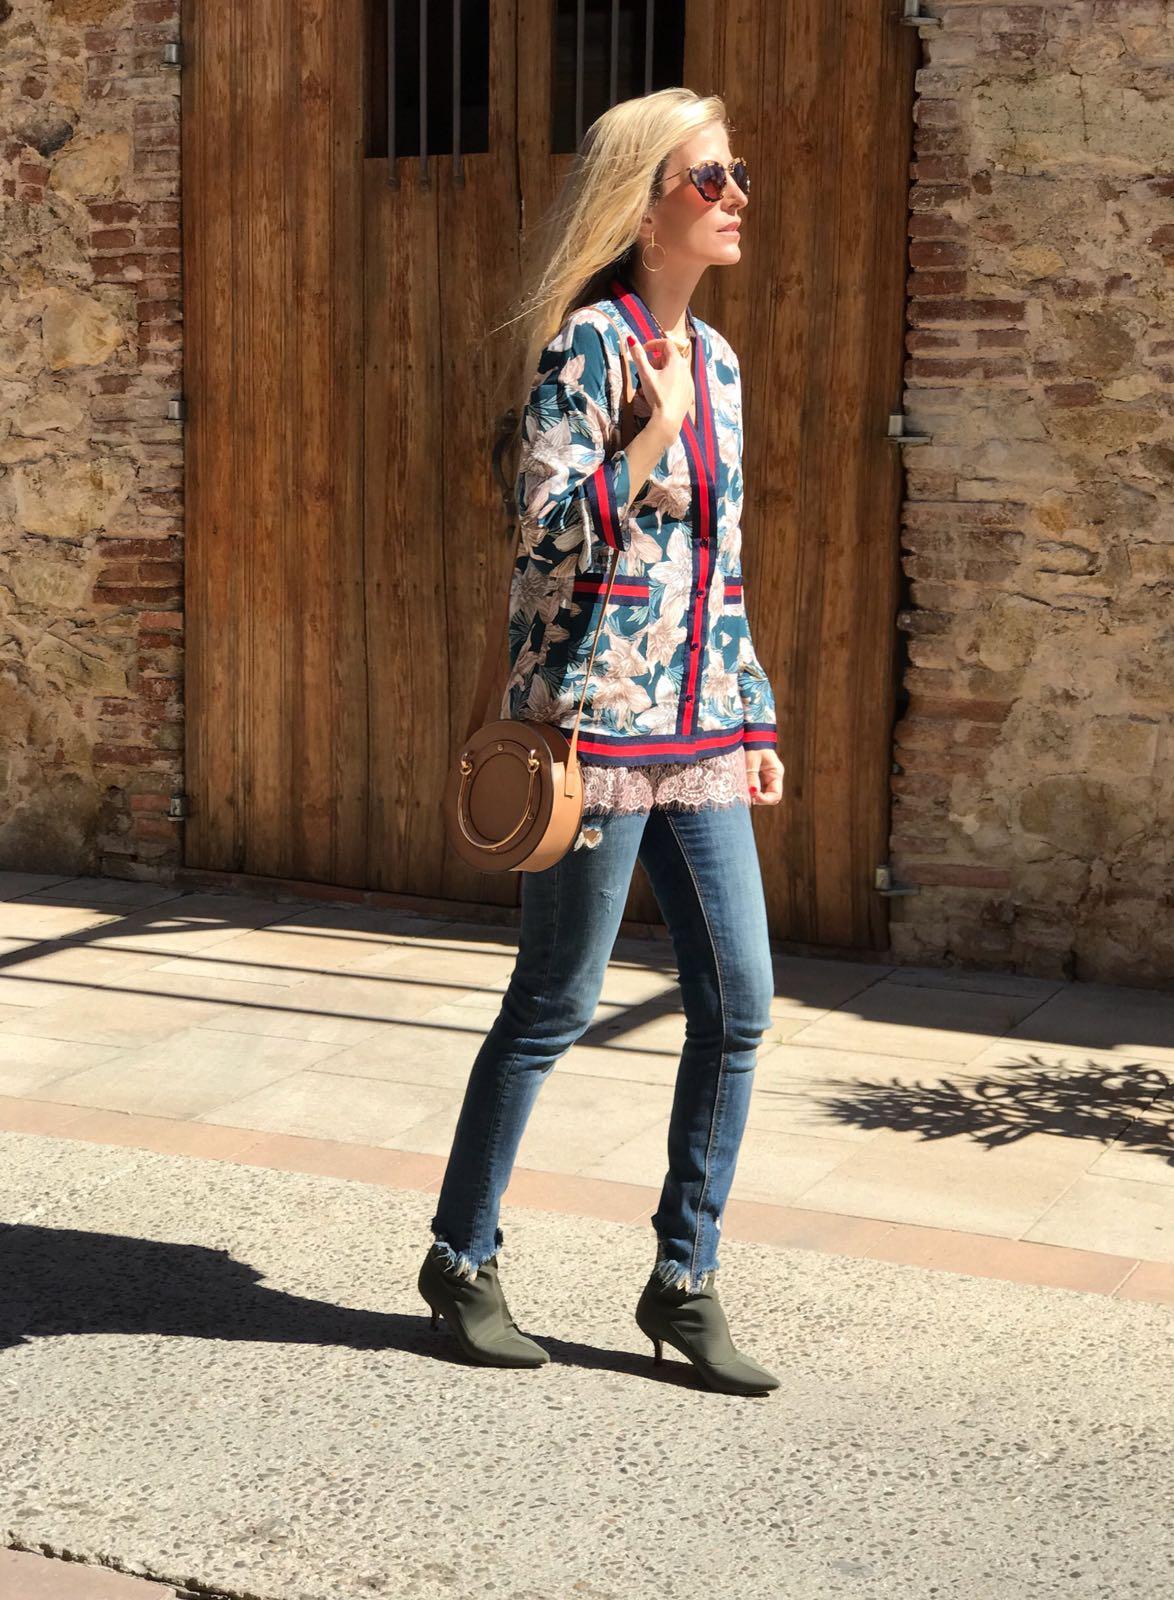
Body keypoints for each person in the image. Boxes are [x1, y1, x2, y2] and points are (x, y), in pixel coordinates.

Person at [418, 88, 784, 1396]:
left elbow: (719, 568)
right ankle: (461, 1258)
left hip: (699, 734)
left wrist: (752, 713)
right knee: (556, 1002)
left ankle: (684, 1280)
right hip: (594, 731)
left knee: (740, 1003)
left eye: (735, 175)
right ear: (643, 206)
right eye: (707, 178)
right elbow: (542, 535)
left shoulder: (720, 360)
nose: (734, 196)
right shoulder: (590, 348)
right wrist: (647, 442)